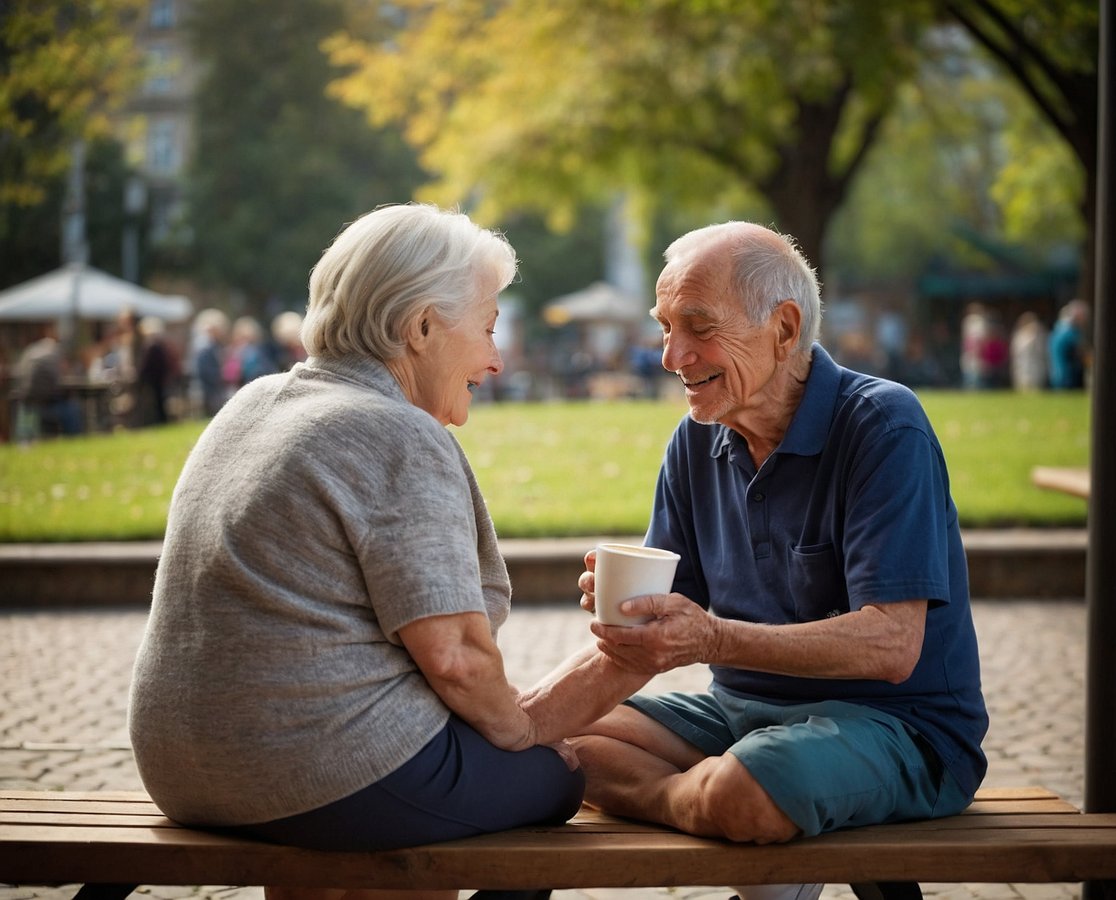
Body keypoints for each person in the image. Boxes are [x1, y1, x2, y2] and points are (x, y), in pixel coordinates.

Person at [128, 204, 640, 900]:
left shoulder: (251, 404)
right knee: (554, 781)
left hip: (178, 769)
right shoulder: (393, 432)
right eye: (487, 328)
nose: (494, 358)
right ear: (422, 326)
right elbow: (456, 658)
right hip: (307, 774)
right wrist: (518, 733)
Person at [568, 222, 989, 900]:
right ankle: (706, 806)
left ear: (785, 329)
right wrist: (529, 708)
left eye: (698, 327)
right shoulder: (695, 439)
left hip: (902, 729)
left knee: (745, 785)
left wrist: (711, 636)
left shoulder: (882, 425)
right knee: (553, 747)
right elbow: (663, 626)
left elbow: (892, 643)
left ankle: (728, 805)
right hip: (740, 716)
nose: (671, 354)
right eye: (665, 325)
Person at [1048, 299, 1089, 390]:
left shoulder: (1057, 330)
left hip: (1057, 374)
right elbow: (1081, 353)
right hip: (1068, 377)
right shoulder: (1070, 333)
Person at [1010, 311, 1048, 392]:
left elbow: (1042, 351)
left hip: (1036, 368)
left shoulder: (1039, 335)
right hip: (1022, 368)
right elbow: (1015, 353)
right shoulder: (1019, 336)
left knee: (1036, 391)